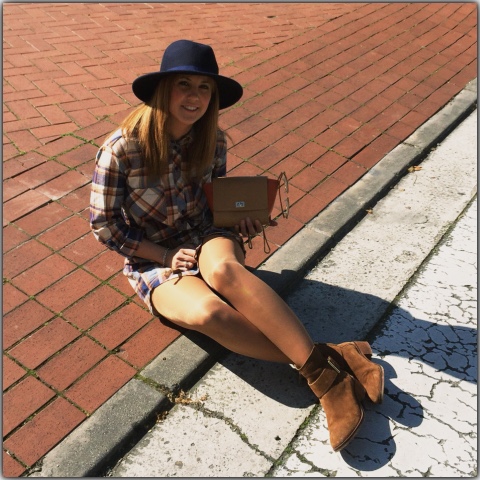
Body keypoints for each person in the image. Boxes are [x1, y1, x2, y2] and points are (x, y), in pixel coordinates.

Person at [90, 39, 384, 452]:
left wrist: (239, 220)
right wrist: (164, 254)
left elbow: (216, 202)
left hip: (207, 236)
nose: (194, 97)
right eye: (184, 85)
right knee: (208, 313)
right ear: (163, 89)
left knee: (225, 271)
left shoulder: (212, 140)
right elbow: (104, 226)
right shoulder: (121, 149)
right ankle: (333, 358)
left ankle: (328, 386)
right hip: (151, 257)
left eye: (204, 88)